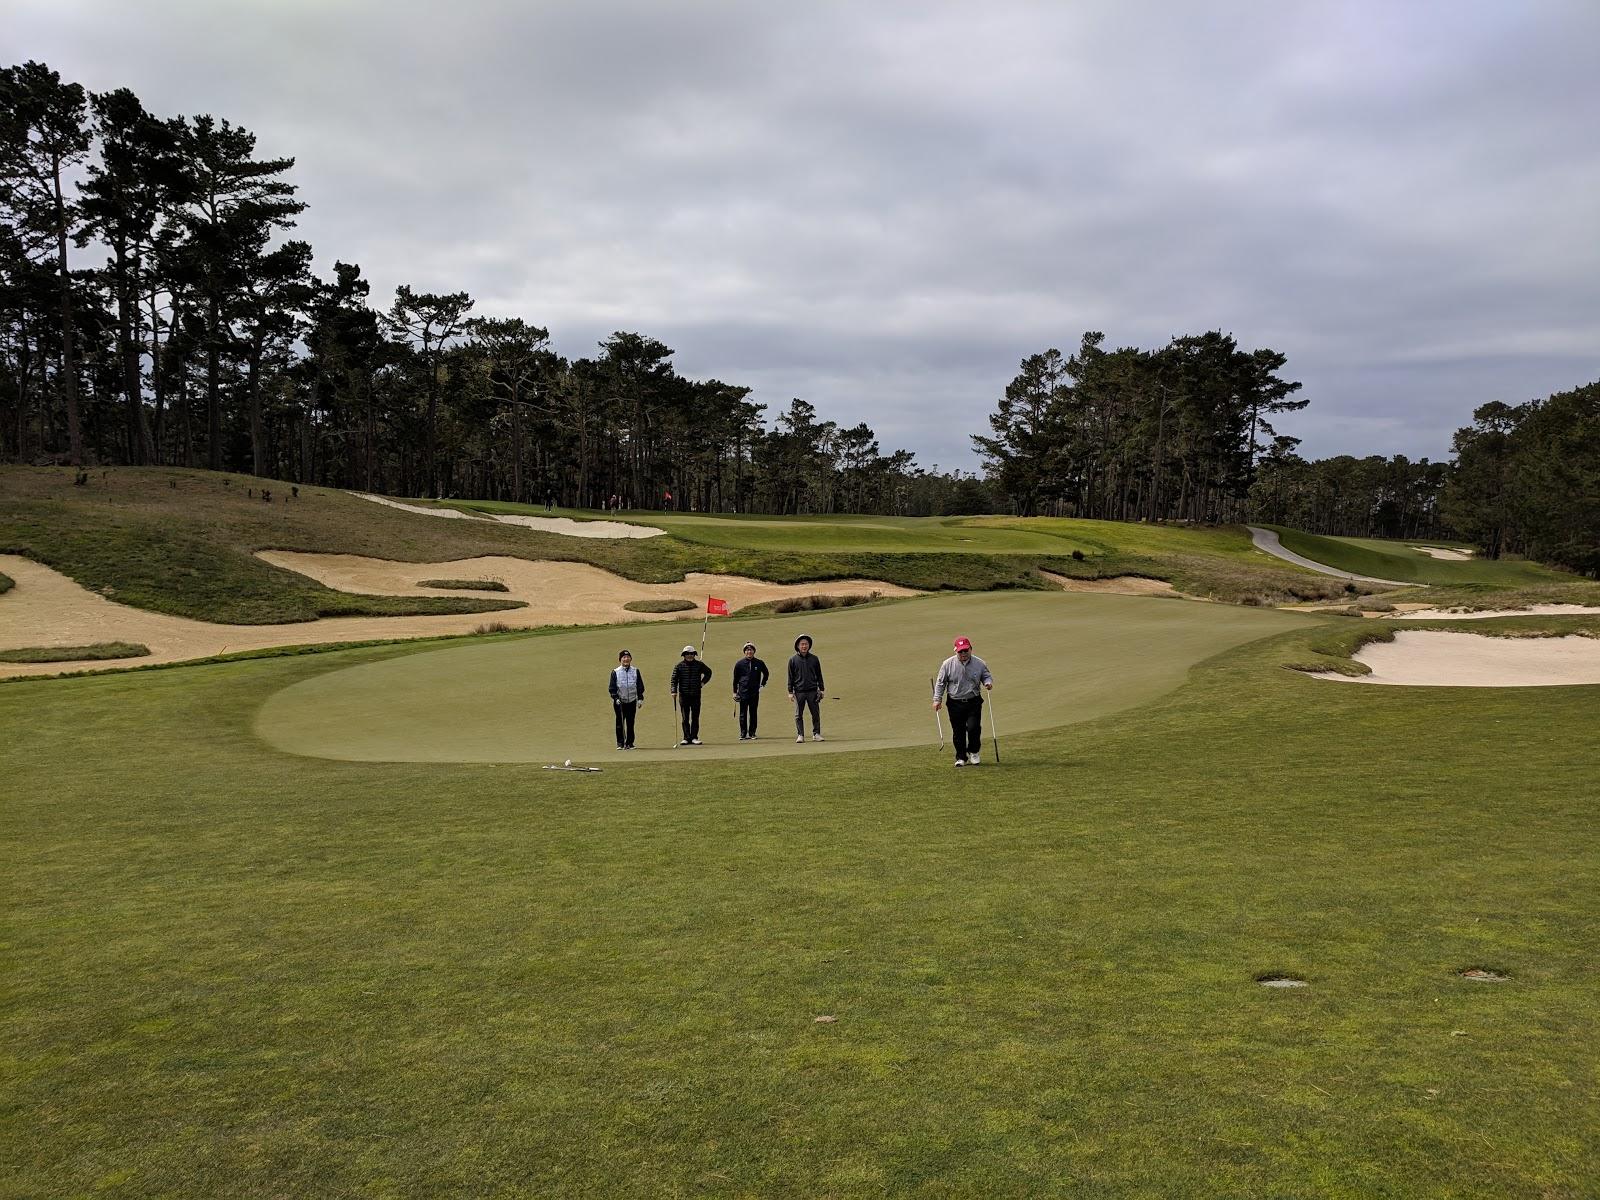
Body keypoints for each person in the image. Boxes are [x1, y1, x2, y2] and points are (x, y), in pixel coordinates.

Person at [933, 635, 993, 767]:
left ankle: (974, 752)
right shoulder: (947, 664)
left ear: (971, 649)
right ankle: (961, 757)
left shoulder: (979, 663)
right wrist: (937, 699)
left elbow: (986, 676)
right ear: (956, 651)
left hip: (973, 701)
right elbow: (940, 683)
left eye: (966, 650)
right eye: (960, 651)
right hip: (955, 703)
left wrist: (988, 683)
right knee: (958, 730)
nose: (963, 653)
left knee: (974, 728)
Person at [669, 644, 712, 745]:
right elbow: (673, 680)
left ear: (694, 654)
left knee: (695, 717)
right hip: (683, 695)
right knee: (685, 717)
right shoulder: (679, 666)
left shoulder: (699, 665)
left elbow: (709, 673)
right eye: (687, 654)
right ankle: (686, 737)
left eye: (692, 654)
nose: (690, 655)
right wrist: (673, 691)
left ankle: (694, 737)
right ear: (684, 655)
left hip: (696, 695)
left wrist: (702, 683)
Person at [787, 633, 825, 743]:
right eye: (802, 644)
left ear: (809, 645)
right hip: (799, 692)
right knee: (798, 715)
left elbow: (819, 675)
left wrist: (822, 689)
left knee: (815, 713)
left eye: (806, 644)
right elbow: (790, 677)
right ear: (798, 646)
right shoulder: (793, 660)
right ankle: (800, 735)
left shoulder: (814, 659)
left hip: (813, 691)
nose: (804, 646)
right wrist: (790, 692)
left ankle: (816, 734)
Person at [732, 641, 770, 741]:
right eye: (747, 650)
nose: (749, 652)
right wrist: (735, 692)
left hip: (754, 692)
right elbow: (735, 679)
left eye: (751, 650)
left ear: (754, 651)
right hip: (743, 692)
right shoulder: (739, 664)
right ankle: (743, 733)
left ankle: (752, 733)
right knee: (743, 713)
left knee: (753, 713)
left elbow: (766, 673)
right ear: (744, 652)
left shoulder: (759, 662)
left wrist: (762, 684)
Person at [607, 649, 644, 750]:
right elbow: (612, 688)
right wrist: (615, 698)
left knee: (630, 722)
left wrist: (640, 698)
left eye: (628, 657)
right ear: (620, 660)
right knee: (620, 723)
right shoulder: (615, 672)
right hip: (620, 702)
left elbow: (640, 686)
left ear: (631, 659)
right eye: (624, 657)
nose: (626, 659)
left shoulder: (635, 671)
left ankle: (630, 743)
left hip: (632, 701)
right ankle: (620, 743)